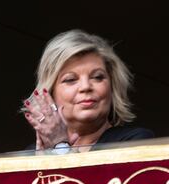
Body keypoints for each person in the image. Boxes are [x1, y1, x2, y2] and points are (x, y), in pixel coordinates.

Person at [23, 29, 154, 152]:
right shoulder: (30, 154)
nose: (86, 87)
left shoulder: (136, 141)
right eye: (70, 79)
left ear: (112, 88)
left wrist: (60, 146)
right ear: (50, 94)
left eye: (97, 77)